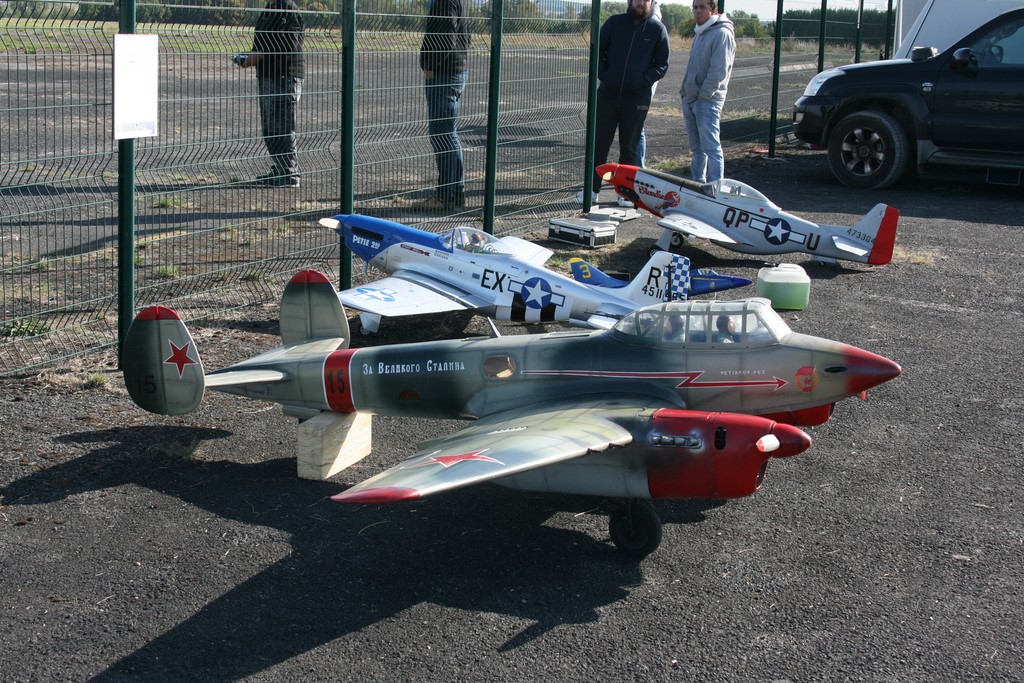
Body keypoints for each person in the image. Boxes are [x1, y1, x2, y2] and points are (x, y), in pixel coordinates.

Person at [576, 0, 669, 206]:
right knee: (599, 144)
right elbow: (598, 51)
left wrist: (644, 81)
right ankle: (592, 190)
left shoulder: (657, 30)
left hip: (637, 99)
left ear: (651, 3)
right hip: (607, 96)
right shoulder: (614, 23)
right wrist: (605, 75)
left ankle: (626, 193)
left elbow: (662, 64)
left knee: (630, 148)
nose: (640, 3)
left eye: (645, 0)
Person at [239, 0, 305, 188]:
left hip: (286, 75)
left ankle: (290, 173)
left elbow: (289, 44)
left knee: (283, 124)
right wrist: (250, 56)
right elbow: (262, 42)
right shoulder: (268, 10)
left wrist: (258, 55)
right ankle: (280, 168)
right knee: (269, 125)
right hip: (267, 75)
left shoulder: (289, 10)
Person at [413, 0, 471, 213]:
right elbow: (465, 34)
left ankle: (446, 196)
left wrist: (430, 64)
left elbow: (444, 35)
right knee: (449, 134)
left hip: (444, 74)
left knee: (442, 135)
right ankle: (455, 194)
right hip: (454, 70)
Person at [680, 0, 735, 184]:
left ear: (713, 10)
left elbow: (719, 71)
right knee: (697, 149)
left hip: (707, 101)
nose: (697, 11)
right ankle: (698, 185)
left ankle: (714, 188)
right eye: (695, 7)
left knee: (712, 148)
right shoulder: (699, 32)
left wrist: (703, 96)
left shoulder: (722, 33)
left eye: (702, 7)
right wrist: (685, 91)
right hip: (690, 98)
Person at [633, 0, 662, 169]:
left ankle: (638, 169)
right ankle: (635, 167)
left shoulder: (653, 22)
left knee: (636, 124)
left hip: (643, 83)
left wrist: (645, 80)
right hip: (632, 81)